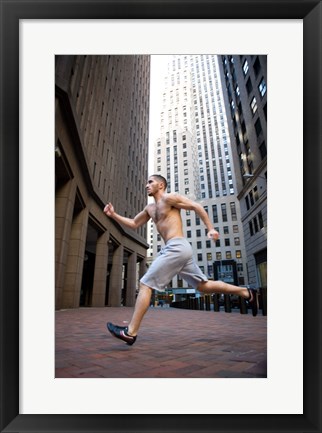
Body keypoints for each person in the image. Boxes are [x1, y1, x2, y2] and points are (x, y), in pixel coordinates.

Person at [103, 174, 258, 346]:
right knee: (203, 286)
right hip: (175, 249)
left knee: (145, 284)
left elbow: (196, 206)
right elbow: (133, 223)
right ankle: (246, 292)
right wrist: (113, 214)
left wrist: (211, 229)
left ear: (161, 185)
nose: (147, 185)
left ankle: (130, 332)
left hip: (177, 246)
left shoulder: (170, 198)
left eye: (150, 182)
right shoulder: (149, 208)